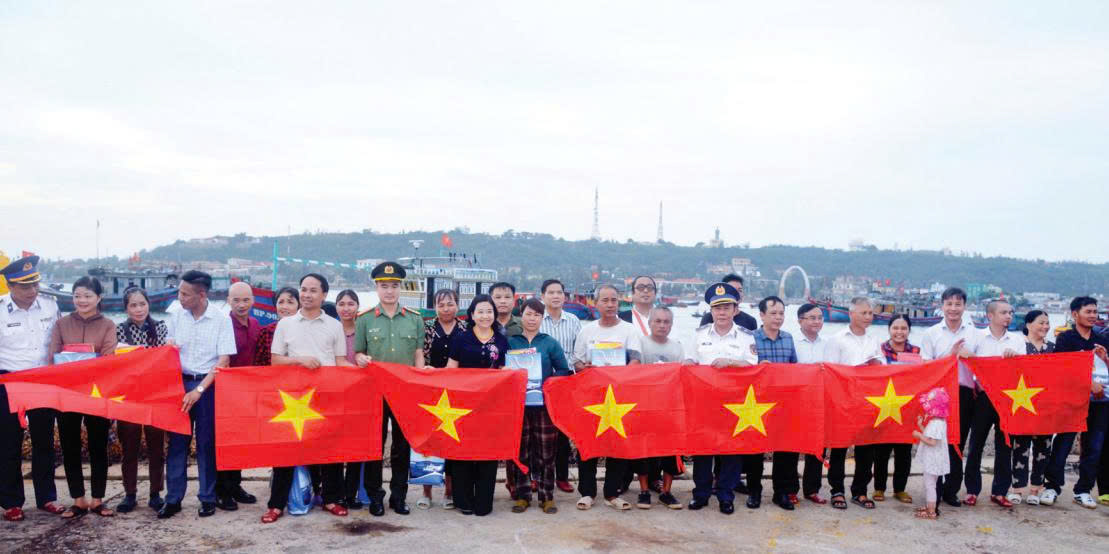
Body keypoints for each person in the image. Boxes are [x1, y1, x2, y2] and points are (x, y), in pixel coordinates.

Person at [261, 273, 351, 524]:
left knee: (329, 448)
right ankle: (276, 504)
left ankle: (331, 498)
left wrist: (365, 371)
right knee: (286, 449)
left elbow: (340, 361)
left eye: (313, 290)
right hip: (293, 396)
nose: (307, 294)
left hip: (326, 394)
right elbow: (275, 360)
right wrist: (299, 360)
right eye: (303, 289)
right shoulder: (286, 324)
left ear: (324, 295)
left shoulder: (334, 325)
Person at [160, 270, 237, 519]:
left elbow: (223, 361)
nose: (180, 297)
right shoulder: (175, 314)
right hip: (179, 384)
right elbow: (169, 349)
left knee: (206, 444)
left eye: (185, 294)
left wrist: (199, 390)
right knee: (176, 444)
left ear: (202, 295)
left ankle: (207, 497)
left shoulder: (221, 319)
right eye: (179, 292)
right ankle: (173, 499)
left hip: (208, 386)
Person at [354, 261, 426, 516]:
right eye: (384, 286)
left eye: (394, 286)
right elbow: (358, 352)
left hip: (405, 392)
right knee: (375, 445)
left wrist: (419, 382)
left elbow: (418, 354)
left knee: (402, 447)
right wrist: (360, 358)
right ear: (376, 288)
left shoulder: (415, 319)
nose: (389, 291)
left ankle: (399, 496)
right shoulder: (364, 319)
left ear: (400, 288)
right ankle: (375, 496)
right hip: (374, 391)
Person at [0, 255, 64, 522]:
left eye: (35, 284)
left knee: (44, 441)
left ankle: (47, 497)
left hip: (42, 380)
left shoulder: (50, 305)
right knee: (8, 443)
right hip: (9, 381)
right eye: (25, 286)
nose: (32, 290)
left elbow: (60, 342)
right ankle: (11, 502)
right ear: (10, 286)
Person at [48, 276, 117, 519]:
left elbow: (108, 358)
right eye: (77, 295)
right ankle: (78, 499)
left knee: (98, 445)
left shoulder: (108, 325)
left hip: (97, 393)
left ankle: (98, 499)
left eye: (88, 295)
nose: (82, 300)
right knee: (70, 446)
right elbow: (53, 356)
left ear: (98, 298)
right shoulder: (61, 324)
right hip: (67, 393)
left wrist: (76, 362)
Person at [684, 282, 756, 515]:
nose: (722, 312)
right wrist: (687, 365)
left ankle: (726, 496)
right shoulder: (699, 335)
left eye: (726, 307)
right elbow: (690, 361)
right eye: (717, 308)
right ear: (711, 310)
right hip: (704, 403)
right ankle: (701, 494)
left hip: (735, 403)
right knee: (703, 451)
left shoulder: (745, 336)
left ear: (735, 310)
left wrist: (730, 362)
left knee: (731, 452)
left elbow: (753, 367)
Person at [572, 284, 643, 511]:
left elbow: (636, 360)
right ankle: (587, 492)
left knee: (618, 443)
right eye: (605, 300)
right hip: (592, 397)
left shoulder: (629, 330)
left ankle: (612, 493)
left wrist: (621, 375)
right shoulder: (587, 331)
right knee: (588, 443)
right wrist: (585, 367)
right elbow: (577, 362)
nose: (610, 304)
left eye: (614, 300)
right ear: (596, 303)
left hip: (621, 397)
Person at [1041, 296, 1109, 508]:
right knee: (1063, 443)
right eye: (1088, 311)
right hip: (1071, 400)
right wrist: (1089, 384)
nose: (1093, 315)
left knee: (1094, 447)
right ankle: (1052, 487)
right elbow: (1061, 369)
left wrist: (1106, 359)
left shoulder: (1102, 339)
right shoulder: (1066, 339)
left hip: (1099, 402)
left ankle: (1083, 490)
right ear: (1075, 314)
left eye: (1095, 312)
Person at [446, 294, 509, 516]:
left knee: (487, 451)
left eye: (489, 311)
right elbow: (450, 370)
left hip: (492, 406)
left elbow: (506, 370)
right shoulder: (461, 339)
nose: (485, 316)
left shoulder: (501, 341)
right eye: (480, 311)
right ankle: (463, 500)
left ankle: (483, 500)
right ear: (472, 315)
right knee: (463, 451)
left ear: (494, 314)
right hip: (463, 405)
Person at [507, 298, 571, 514]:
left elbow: (563, 370)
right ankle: (522, 495)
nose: (532, 318)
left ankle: (547, 496)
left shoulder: (550, 343)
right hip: (519, 405)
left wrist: (547, 383)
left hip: (544, 405)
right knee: (521, 450)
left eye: (537, 315)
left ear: (542, 318)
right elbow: (502, 370)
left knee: (546, 451)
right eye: (528, 314)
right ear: (521, 316)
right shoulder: (511, 342)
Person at [824, 297, 883, 511]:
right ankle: (837, 490)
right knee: (839, 447)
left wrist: (876, 364)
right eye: (863, 313)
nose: (868, 317)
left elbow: (882, 369)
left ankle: (860, 490)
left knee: (866, 449)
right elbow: (829, 370)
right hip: (843, 401)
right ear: (851, 314)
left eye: (870, 313)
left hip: (867, 402)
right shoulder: (836, 339)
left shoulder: (874, 340)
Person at [919, 287, 977, 508]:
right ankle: (934, 488)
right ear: (942, 306)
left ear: (964, 306)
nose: (953, 308)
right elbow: (926, 366)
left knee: (957, 441)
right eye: (949, 304)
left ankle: (951, 489)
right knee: (937, 440)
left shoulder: (974, 333)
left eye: (958, 304)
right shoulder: (931, 333)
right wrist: (951, 355)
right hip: (938, 396)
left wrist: (971, 357)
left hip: (964, 392)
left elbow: (983, 363)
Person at [962, 300, 1022, 508]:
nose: (1008, 316)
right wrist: (971, 357)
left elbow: (1024, 369)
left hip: (1008, 398)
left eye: (1010, 312)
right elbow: (963, 354)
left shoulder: (1017, 340)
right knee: (976, 444)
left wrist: (1015, 358)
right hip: (983, 397)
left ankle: (1000, 491)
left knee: (1005, 445)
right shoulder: (977, 336)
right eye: (1004, 312)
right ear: (990, 315)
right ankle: (972, 490)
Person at [115, 287, 169, 513]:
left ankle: (156, 493)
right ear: (126, 308)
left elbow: (165, 359)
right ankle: (130, 494)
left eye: (142, 304)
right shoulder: (119, 330)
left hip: (155, 395)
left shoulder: (161, 327)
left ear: (148, 304)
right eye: (133, 305)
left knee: (157, 448)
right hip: (129, 397)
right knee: (129, 448)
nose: (138, 309)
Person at [416, 288, 465, 510]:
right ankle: (426, 491)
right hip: (430, 393)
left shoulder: (466, 329)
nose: (446, 309)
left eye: (450, 304)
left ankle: (449, 492)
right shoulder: (426, 328)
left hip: (457, 395)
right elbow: (419, 355)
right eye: (441, 304)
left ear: (457, 305)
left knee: (452, 443)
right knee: (428, 443)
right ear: (434, 307)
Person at [633, 306, 684, 510]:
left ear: (671, 325)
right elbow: (633, 371)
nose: (662, 325)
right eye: (658, 321)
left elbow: (683, 376)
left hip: (669, 406)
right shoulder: (640, 344)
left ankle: (666, 492)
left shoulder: (677, 347)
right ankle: (644, 491)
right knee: (643, 450)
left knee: (671, 450)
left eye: (666, 322)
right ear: (650, 322)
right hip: (645, 405)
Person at [753, 296, 801, 512]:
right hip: (757, 402)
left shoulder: (788, 338)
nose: (778, 317)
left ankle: (781, 492)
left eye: (781, 313)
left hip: (783, 403)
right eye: (773, 313)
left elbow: (794, 368)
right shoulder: (751, 338)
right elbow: (746, 369)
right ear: (762, 315)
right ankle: (754, 490)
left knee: (785, 449)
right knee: (755, 449)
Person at [215, 282, 260, 512]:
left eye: (246, 300)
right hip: (225, 391)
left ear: (253, 300)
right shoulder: (222, 325)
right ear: (228, 301)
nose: (241, 305)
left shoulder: (255, 324)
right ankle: (222, 490)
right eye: (236, 300)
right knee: (225, 441)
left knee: (241, 441)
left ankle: (236, 485)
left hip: (249, 391)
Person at [538, 279, 581, 494]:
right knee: (540, 429)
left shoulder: (573, 320)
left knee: (563, 429)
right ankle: (538, 476)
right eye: (551, 292)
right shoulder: (537, 319)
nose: (555, 296)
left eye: (559, 292)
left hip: (566, 380)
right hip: (540, 380)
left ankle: (562, 477)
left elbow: (579, 351)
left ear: (564, 296)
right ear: (543, 296)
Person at [872, 314, 919, 505]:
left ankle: (900, 489)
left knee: (904, 451)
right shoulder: (878, 350)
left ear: (909, 330)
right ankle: (879, 487)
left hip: (907, 407)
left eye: (904, 328)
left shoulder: (916, 352)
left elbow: (923, 375)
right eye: (895, 328)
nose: (899, 332)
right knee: (881, 450)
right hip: (883, 404)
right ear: (889, 329)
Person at [334, 289, 372, 509]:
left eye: (351, 304)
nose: (346, 308)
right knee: (335, 445)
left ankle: (352, 492)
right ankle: (336, 492)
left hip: (361, 395)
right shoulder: (330, 329)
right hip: (335, 395)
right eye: (341, 304)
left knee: (357, 446)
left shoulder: (364, 328)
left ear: (357, 306)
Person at [1011, 310, 1054, 506]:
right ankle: (1017, 488)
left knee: (1043, 447)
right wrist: (1008, 356)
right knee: (1020, 446)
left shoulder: (1053, 347)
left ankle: (1036, 487)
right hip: (1023, 402)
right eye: (1041, 323)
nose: (1045, 326)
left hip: (1046, 405)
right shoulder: (1017, 345)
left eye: (1047, 323)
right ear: (1028, 324)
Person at [790, 303, 827, 505]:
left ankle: (812, 489)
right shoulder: (791, 341)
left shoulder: (828, 344)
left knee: (817, 446)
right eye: (812, 317)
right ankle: (790, 489)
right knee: (791, 446)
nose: (817, 321)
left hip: (820, 402)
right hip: (796, 401)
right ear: (800, 320)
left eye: (820, 317)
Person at [912, 388, 951, 520]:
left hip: (933, 460)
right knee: (930, 484)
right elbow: (930, 435)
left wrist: (918, 435)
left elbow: (932, 442)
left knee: (930, 485)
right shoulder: (938, 422)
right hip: (934, 459)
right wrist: (920, 426)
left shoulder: (936, 423)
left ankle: (931, 511)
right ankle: (930, 506)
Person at [253, 287, 300, 366]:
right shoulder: (266, 332)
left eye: (290, 302)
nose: (285, 307)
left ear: (299, 306)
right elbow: (259, 364)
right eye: (281, 302)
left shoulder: (305, 330)